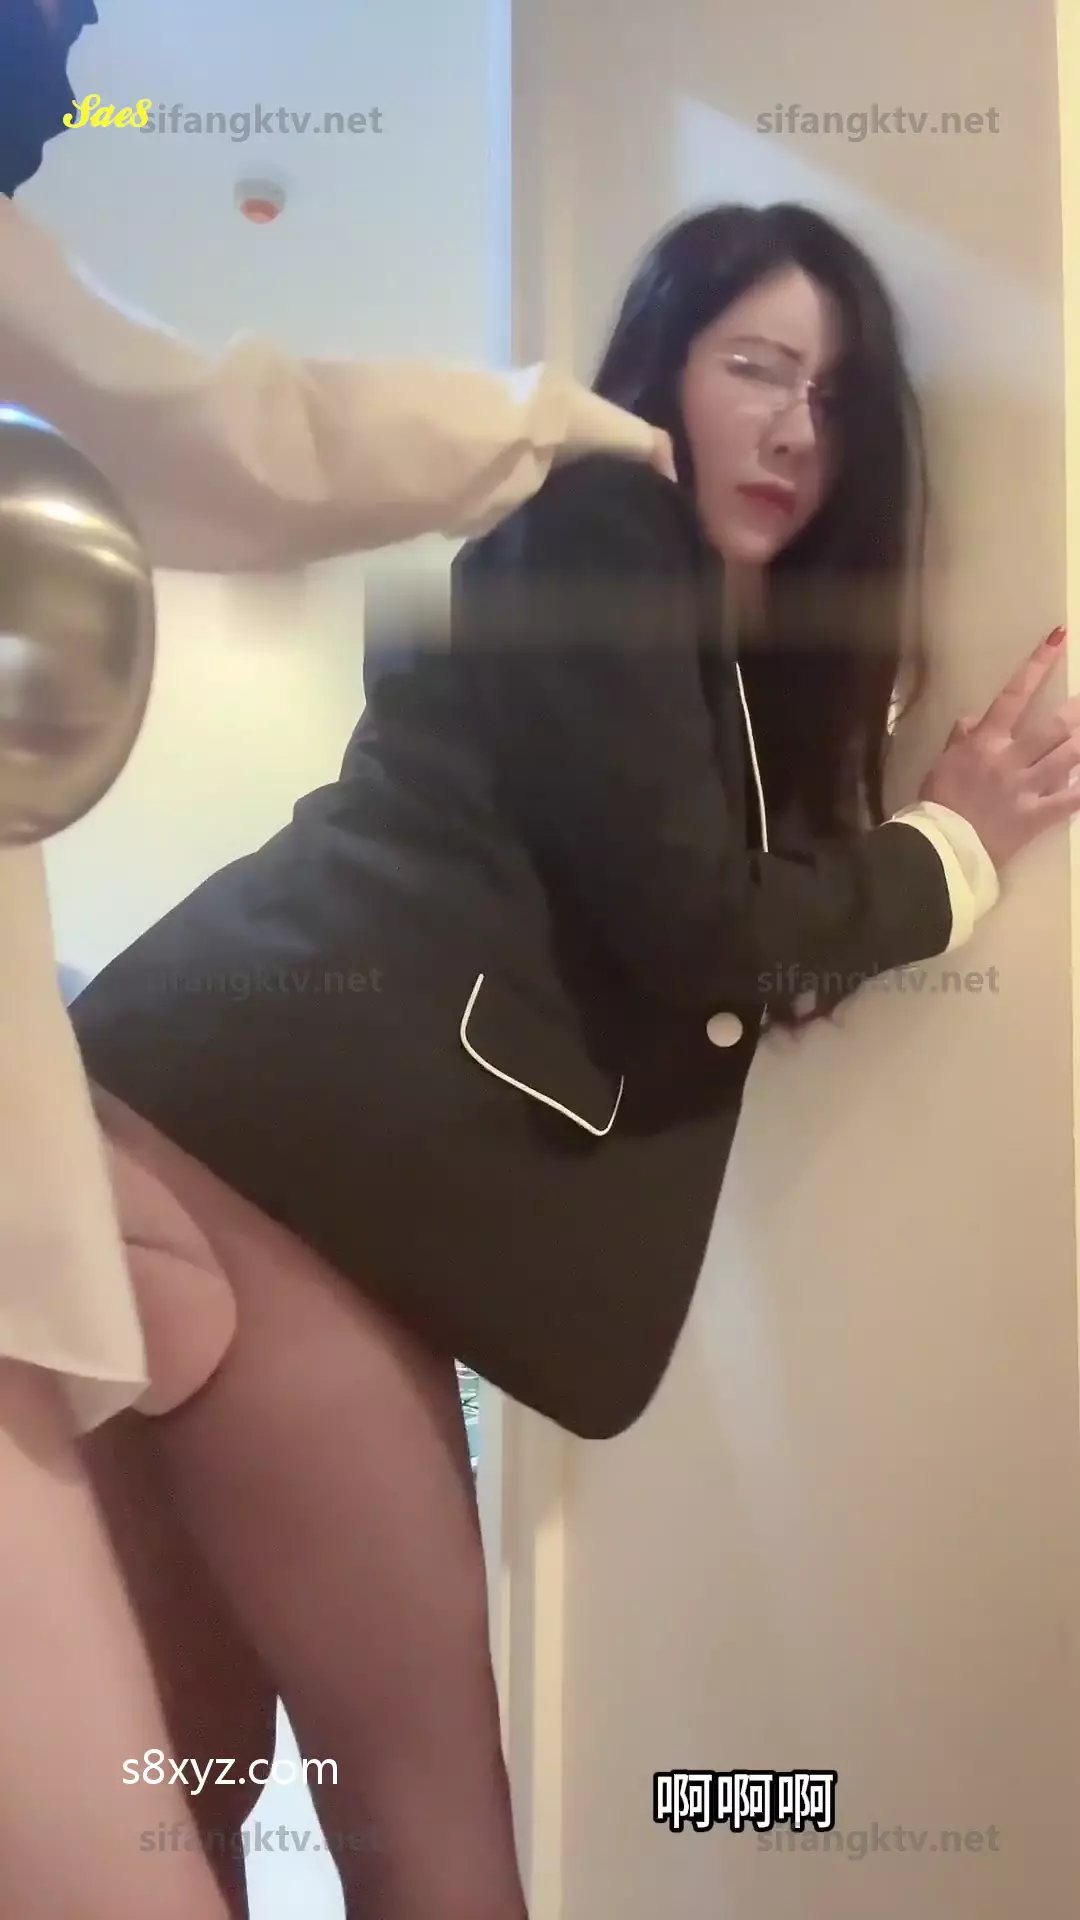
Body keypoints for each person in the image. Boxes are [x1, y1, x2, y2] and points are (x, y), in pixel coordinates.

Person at [69, 200, 1080, 1916]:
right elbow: (700, 934)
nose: (795, 426)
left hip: (159, 1130)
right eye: (754, 365)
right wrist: (951, 850)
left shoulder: (679, 640)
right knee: (427, 1838)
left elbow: (675, 908)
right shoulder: (599, 511)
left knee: (180, 1804)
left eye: (835, 394)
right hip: (252, 1167)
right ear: (660, 373)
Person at [0, 1, 672, 1914]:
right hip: (164, 1163)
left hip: (138, 1174)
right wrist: (561, 426)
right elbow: (215, 438)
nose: (76, 55)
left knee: (234, 1817)